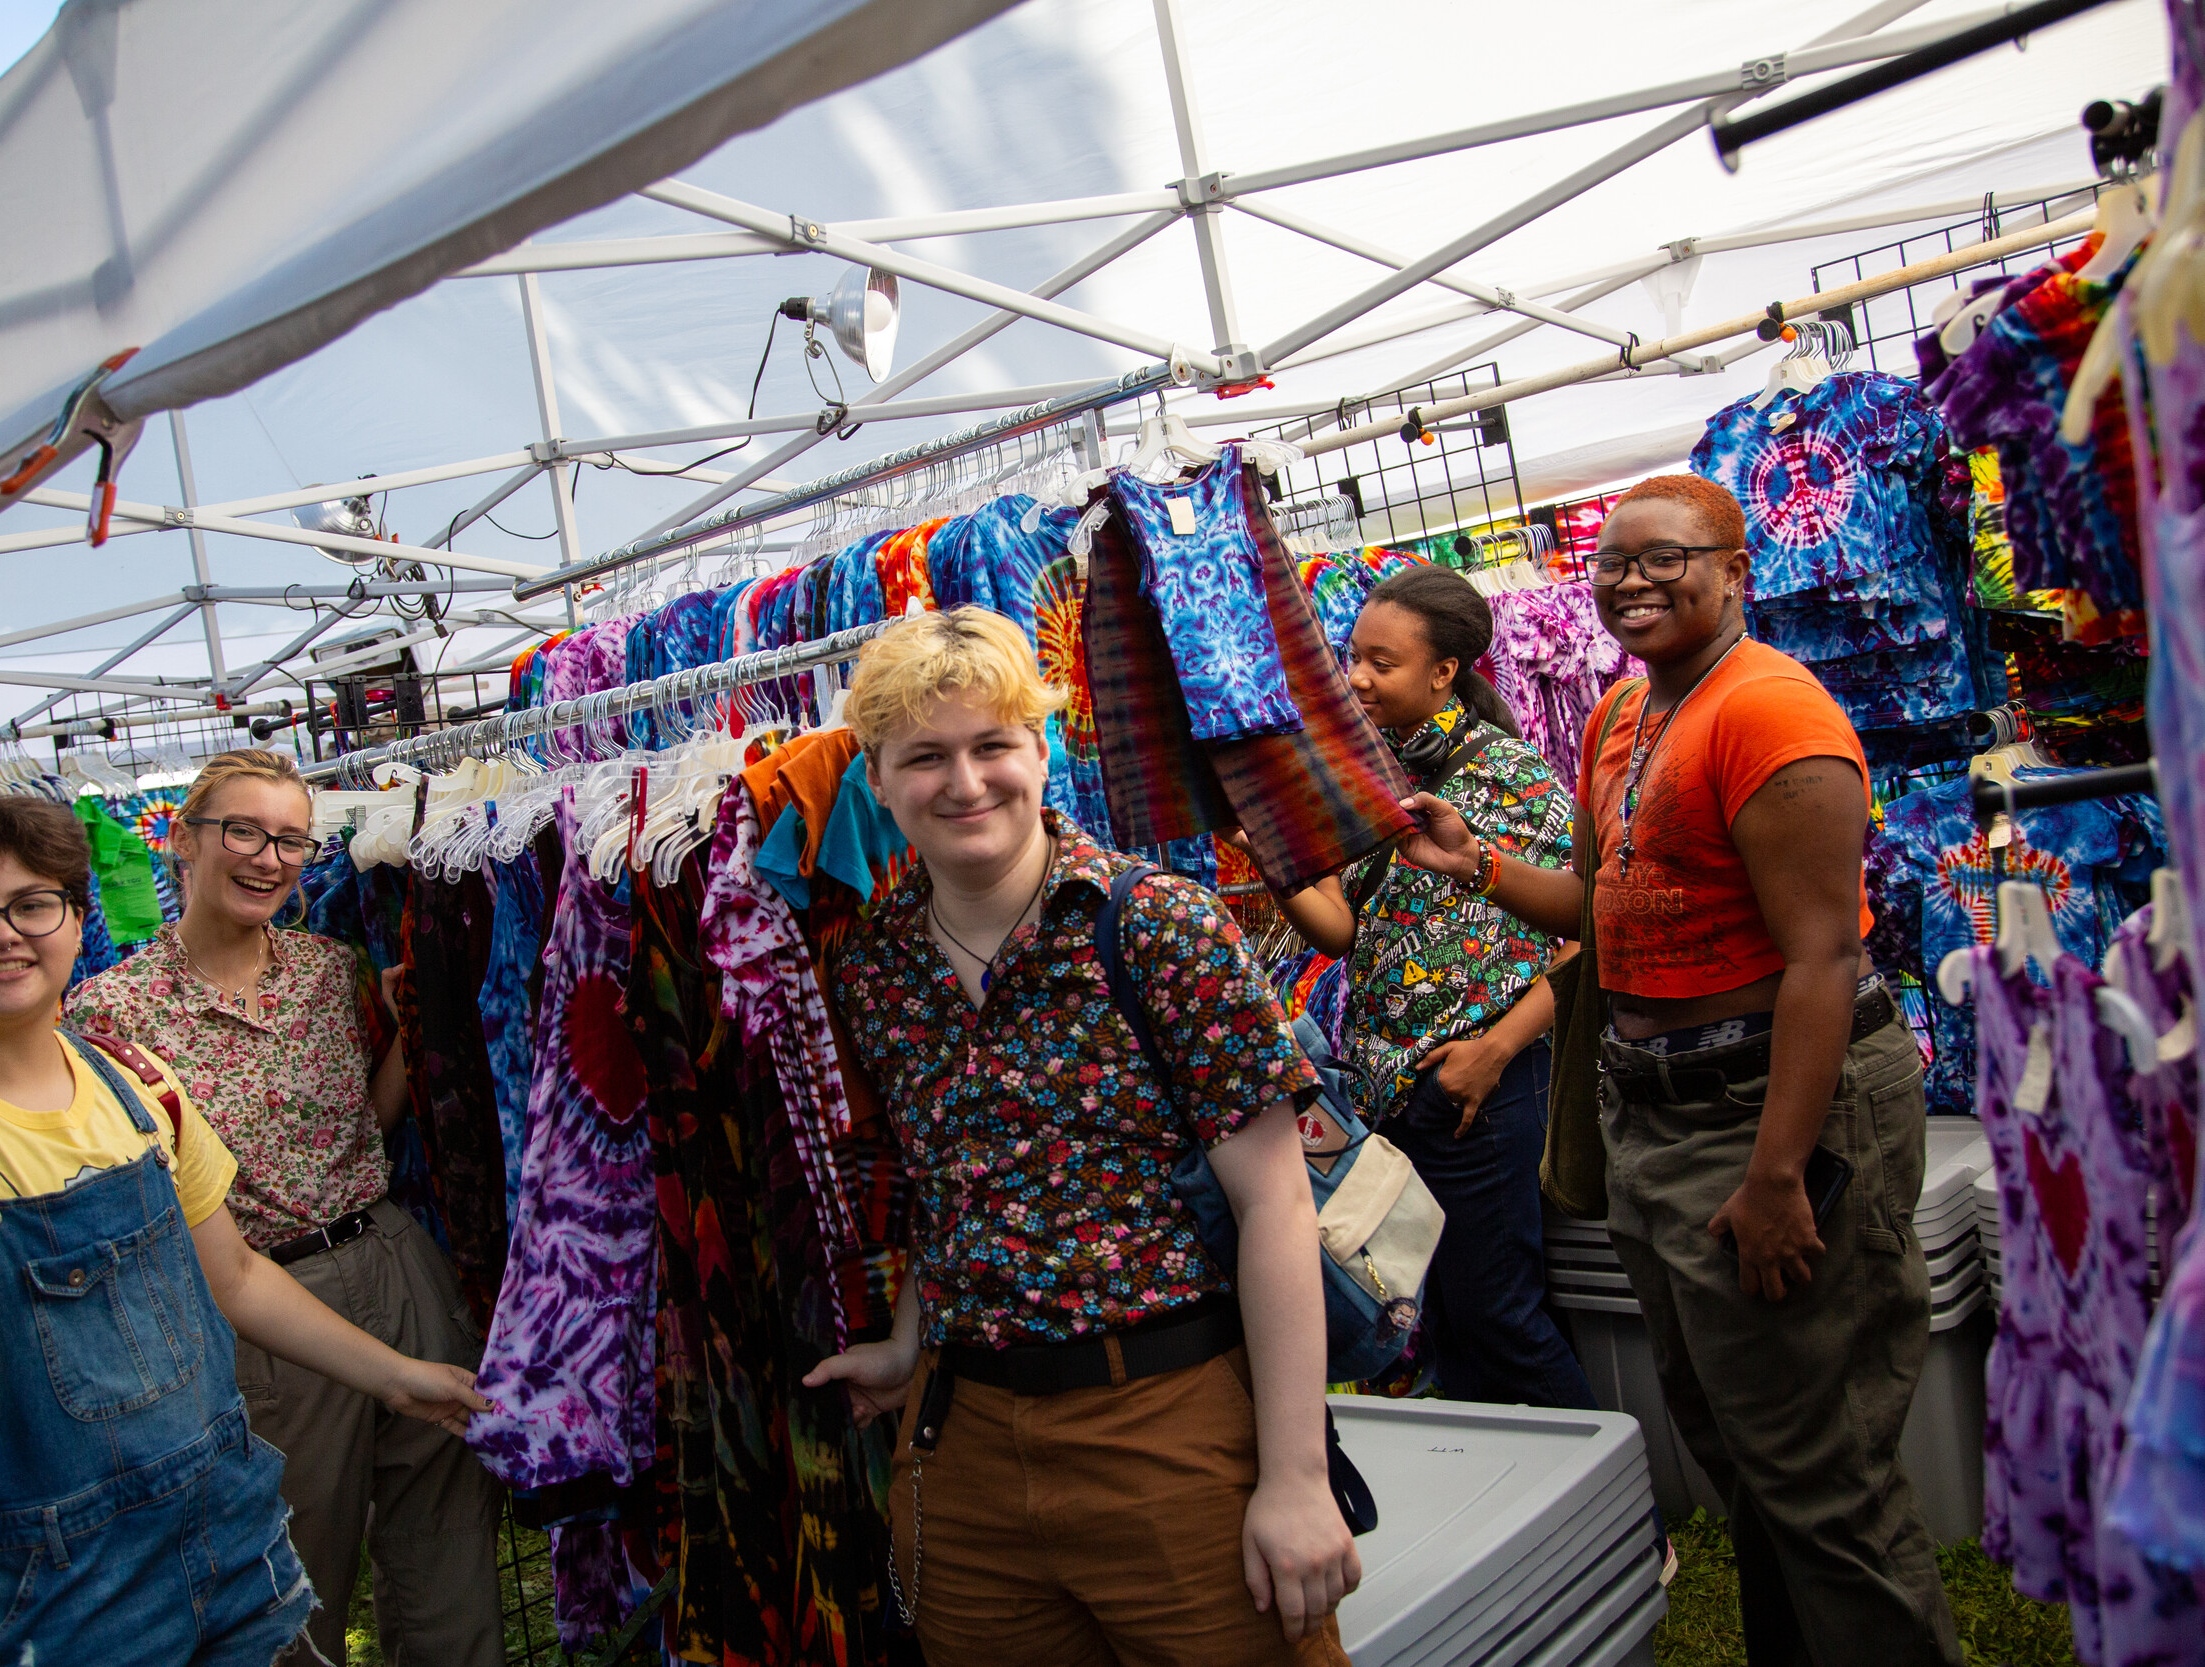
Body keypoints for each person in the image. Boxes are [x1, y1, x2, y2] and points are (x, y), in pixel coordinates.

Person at [1395, 475, 1962, 1666]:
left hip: (1765, 1115)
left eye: (1668, 558)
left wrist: (1776, 1176)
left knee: (1823, 1479)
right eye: (1615, 562)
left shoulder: (1772, 715)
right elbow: (1609, 913)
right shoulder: (1621, 717)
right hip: (1661, 1120)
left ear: (1736, 568)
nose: (1632, 580)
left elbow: (1821, 959)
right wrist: (1475, 864)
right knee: (1740, 1449)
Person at [0, 791, 485, 1667]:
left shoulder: (139, 1089)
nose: (4, 934)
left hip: (217, 1555)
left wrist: (400, 1376)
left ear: (77, 918)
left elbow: (239, 1278)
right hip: (33, 1603)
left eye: (33, 904)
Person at [805, 607, 1360, 1665]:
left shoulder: (1157, 927)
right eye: (925, 756)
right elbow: (947, 1182)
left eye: (992, 745)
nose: (965, 783)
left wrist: (1292, 1474)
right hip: (961, 1437)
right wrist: (909, 1337)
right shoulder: (875, 965)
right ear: (877, 780)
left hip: (1163, 1419)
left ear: (1041, 750)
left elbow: (1277, 1203)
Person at [67, 748, 505, 1667]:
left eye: (291, 839)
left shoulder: (326, 968)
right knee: (294, 1585)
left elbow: (369, 1122)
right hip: (264, 1311)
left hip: (392, 1257)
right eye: (244, 831)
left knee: (449, 1555)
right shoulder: (113, 1012)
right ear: (181, 839)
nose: (269, 857)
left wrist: (409, 1025)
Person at [1256, 564, 1594, 1409]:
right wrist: (1270, 847)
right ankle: (1519, 1513)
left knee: (1500, 1317)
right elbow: (1339, 931)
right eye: (1351, 659)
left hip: (1484, 1086)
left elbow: (1592, 937)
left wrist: (1494, 1049)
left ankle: (1626, 1527)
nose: (1357, 679)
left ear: (1444, 671)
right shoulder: (1361, 777)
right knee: (1436, 1316)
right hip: (1398, 1095)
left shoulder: (1509, 776)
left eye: (1381, 662)